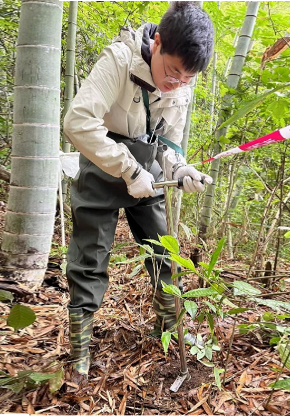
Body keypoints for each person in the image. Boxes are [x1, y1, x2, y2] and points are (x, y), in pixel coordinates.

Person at [63, 1, 214, 382]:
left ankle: (167, 326)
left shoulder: (183, 83)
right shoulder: (119, 59)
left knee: (164, 248)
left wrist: (180, 168)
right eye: (173, 72)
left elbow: (170, 141)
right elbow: (78, 122)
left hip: (148, 169)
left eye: (187, 79)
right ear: (158, 42)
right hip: (102, 164)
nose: (177, 83)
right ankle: (80, 353)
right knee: (89, 257)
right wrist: (128, 168)